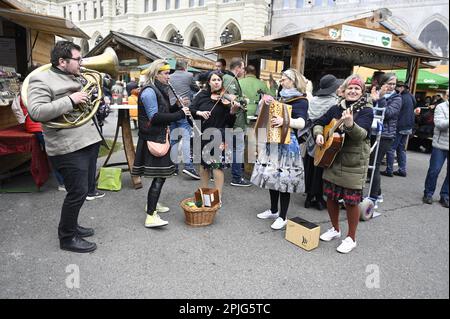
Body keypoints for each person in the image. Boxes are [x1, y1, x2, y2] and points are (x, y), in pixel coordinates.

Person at [27, 41, 101, 253]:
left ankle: (73, 225)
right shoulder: (41, 79)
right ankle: (67, 237)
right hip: (66, 145)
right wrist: (71, 100)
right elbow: (37, 112)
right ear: (62, 61)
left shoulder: (75, 76)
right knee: (76, 192)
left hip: (86, 140)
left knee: (83, 189)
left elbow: (83, 102)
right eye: (78, 59)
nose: (82, 62)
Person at [314, 75, 374, 254]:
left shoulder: (365, 110)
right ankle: (335, 229)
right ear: (344, 91)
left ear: (362, 93)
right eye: (350, 88)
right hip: (333, 159)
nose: (353, 91)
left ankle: (351, 238)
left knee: (351, 202)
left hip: (353, 162)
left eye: (357, 89)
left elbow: (361, 134)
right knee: (331, 197)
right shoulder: (335, 108)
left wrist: (350, 124)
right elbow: (319, 122)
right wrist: (318, 133)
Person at [131, 59, 191, 228]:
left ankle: (152, 204)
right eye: (165, 74)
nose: (169, 77)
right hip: (153, 138)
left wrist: (176, 107)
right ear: (156, 74)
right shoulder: (149, 92)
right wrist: (180, 114)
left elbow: (164, 111)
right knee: (159, 176)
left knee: (161, 176)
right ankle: (151, 216)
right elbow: (155, 118)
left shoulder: (159, 89)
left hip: (158, 136)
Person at [251, 68, 308, 230]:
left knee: (284, 181)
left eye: (284, 79)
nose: (281, 82)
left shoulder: (301, 100)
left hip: (288, 144)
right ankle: (274, 210)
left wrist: (285, 121)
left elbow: (302, 123)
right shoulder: (282, 97)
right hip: (274, 142)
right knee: (271, 177)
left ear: (293, 81)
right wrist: (264, 104)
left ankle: (283, 216)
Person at [190, 71, 239, 202]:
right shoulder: (201, 96)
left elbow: (230, 123)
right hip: (202, 134)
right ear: (208, 82)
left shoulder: (226, 99)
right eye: (214, 80)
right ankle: (204, 193)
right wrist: (199, 113)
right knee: (204, 166)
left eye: (219, 80)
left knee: (217, 167)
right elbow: (190, 111)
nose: (217, 82)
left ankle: (218, 196)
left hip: (220, 135)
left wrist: (233, 112)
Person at [303, 74, 342, 210]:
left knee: (310, 166)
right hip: (325, 137)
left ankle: (308, 197)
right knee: (320, 169)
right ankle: (319, 198)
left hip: (311, 137)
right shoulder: (334, 103)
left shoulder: (313, 100)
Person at [18, 92, 66, 191]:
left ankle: (62, 181)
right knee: (56, 154)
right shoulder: (38, 92)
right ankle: (62, 183)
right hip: (41, 126)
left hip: (34, 126)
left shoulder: (24, 94)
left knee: (54, 153)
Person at [369, 73, 401, 206]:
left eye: (394, 84)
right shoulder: (374, 93)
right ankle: (378, 193)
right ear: (383, 83)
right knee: (370, 165)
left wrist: (380, 98)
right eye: (389, 83)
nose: (392, 86)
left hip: (385, 135)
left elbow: (387, 114)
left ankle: (373, 198)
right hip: (371, 131)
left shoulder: (397, 98)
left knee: (374, 165)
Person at [168, 59, 200, 179]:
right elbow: (196, 89)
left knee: (174, 139)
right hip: (183, 109)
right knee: (186, 138)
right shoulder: (189, 75)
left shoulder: (169, 76)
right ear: (185, 66)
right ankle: (188, 166)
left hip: (172, 110)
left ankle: (173, 167)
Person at [223, 57, 252, 187]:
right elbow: (233, 100)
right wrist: (245, 100)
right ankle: (236, 177)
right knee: (238, 149)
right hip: (236, 120)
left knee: (230, 147)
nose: (244, 70)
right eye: (243, 67)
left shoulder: (228, 78)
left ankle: (227, 173)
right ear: (238, 68)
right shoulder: (230, 79)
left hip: (232, 119)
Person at [423, 89, 449, 208]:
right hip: (440, 144)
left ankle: (445, 195)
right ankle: (428, 193)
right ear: (447, 96)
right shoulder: (441, 107)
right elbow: (439, 124)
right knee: (434, 170)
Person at [384, 81, 416, 177]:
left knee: (391, 148)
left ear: (402, 87)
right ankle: (402, 169)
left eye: (397, 86)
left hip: (400, 125)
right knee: (401, 149)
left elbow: (395, 112)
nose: (395, 88)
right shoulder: (411, 96)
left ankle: (389, 170)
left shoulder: (400, 97)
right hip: (408, 126)